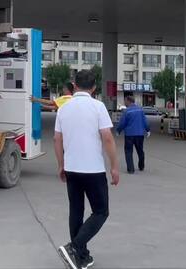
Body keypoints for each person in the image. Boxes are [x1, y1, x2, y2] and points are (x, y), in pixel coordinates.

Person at [54, 70, 119, 269]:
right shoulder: (98, 107)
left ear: (74, 85)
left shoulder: (63, 108)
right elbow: (107, 138)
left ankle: (81, 256)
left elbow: (57, 139)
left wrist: (61, 164)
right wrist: (114, 166)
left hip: (72, 168)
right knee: (101, 211)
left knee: (76, 210)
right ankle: (75, 247)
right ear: (94, 88)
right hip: (93, 169)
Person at [116, 95, 150, 174]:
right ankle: (141, 166)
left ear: (128, 101)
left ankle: (131, 169)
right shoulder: (140, 110)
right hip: (139, 134)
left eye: (125, 101)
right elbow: (145, 121)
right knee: (140, 150)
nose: (124, 102)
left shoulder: (127, 111)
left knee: (128, 151)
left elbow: (122, 123)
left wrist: (118, 130)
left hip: (129, 135)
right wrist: (148, 130)